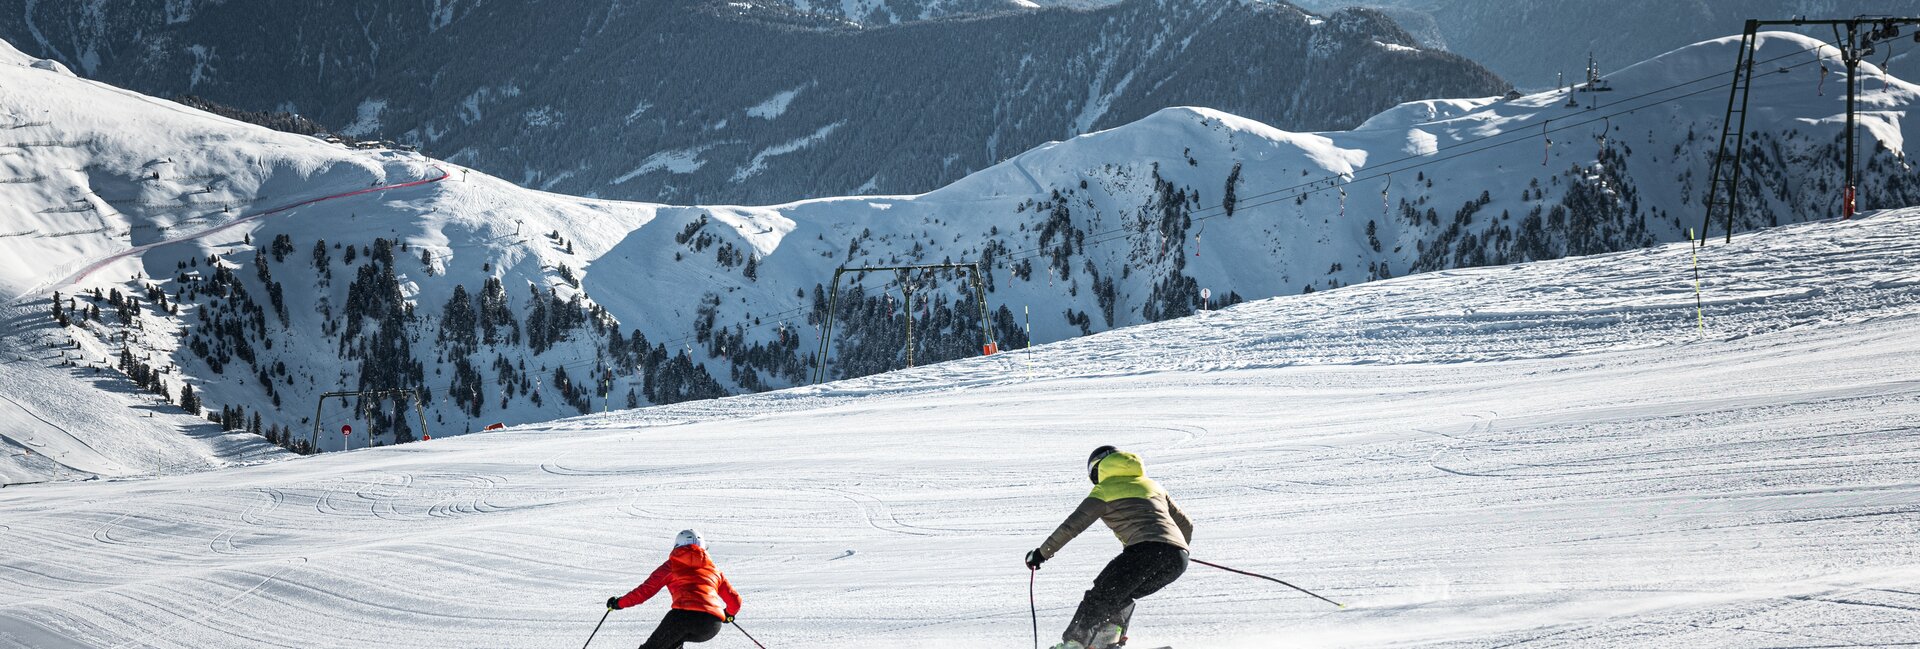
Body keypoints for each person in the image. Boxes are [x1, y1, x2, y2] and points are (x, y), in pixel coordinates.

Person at [1025, 446, 1193, 649]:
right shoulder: (1152, 486)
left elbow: (1072, 526)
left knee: (1101, 595)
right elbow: (1185, 525)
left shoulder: (1104, 491)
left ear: (1096, 470)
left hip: (1145, 552)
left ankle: (1074, 644)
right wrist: (1174, 547)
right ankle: (1108, 640)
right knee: (1117, 593)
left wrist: (1041, 554)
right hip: (1177, 559)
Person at [607, 529, 743, 649]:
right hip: (711, 625)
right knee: (672, 643)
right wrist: (729, 614)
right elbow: (735, 600)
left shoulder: (672, 565)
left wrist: (619, 603)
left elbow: (645, 591)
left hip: (682, 617)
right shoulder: (714, 570)